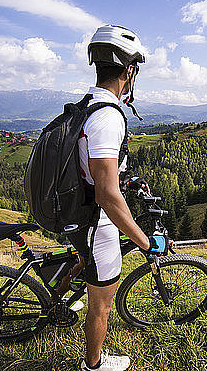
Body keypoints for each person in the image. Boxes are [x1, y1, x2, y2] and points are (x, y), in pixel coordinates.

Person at [68, 25, 162, 371]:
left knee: (85, 263)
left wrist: (128, 180)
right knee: (102, 306)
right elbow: (107, 194)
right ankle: (93, 364)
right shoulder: (108, 117)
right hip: (97, 222)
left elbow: (99, 172)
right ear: (129, 71)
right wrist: (142, 241)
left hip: (80, 212)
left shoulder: (88, 105)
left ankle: (66, 296)